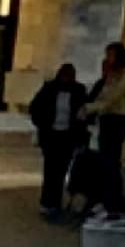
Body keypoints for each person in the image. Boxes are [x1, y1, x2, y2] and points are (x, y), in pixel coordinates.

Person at [80, 42, 125, 219]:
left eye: (110, 55)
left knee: (110, 163)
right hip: (106, 119)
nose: (107, 59)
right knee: (104, 161)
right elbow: (102, 96)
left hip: (117, 120)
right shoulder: (110, 76)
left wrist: (90, 108)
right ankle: (104, 200)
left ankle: (112, 203)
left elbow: (113, 98)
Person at [25, 61, 90, 221]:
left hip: (67, 136)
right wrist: (42, 123)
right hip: (51, 135)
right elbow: (35, 107)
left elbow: (84, 113)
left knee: (61, 170)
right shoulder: (49, 89)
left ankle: (55, 202)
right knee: (50, 169)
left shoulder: (78, 91)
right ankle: (47, 202)